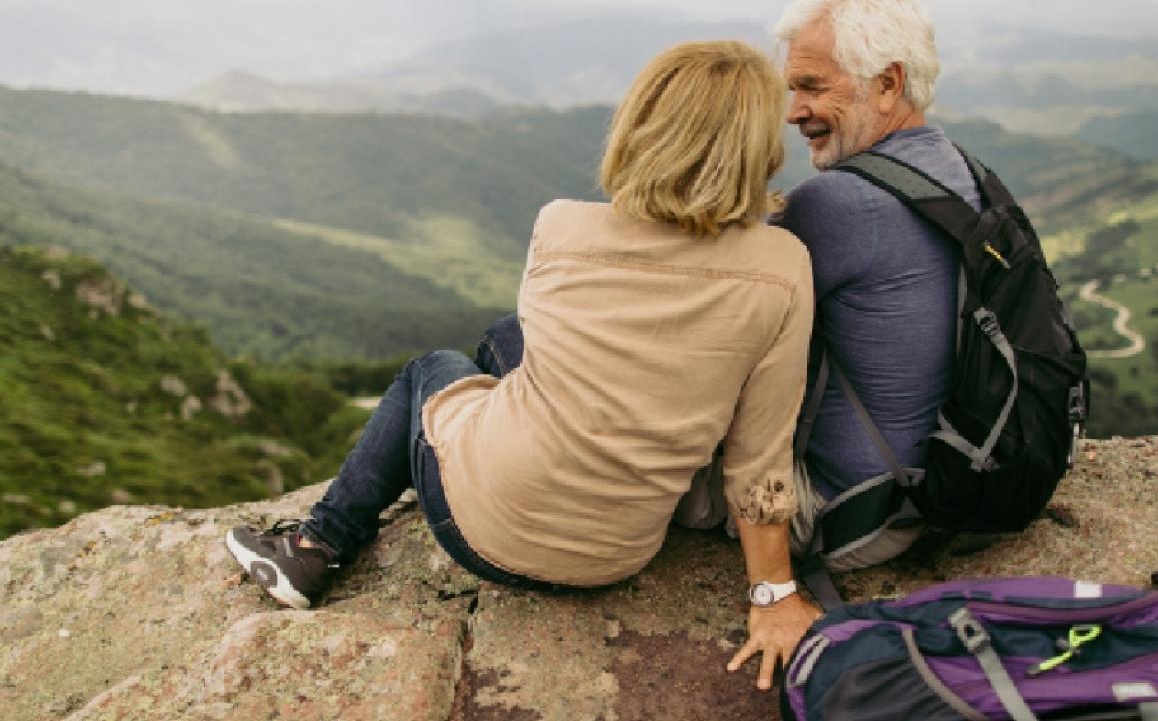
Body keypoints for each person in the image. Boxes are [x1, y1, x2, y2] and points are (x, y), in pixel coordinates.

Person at [225, 40, 821, 690]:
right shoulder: (783, 268)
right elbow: (759, 458)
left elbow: (558, 347)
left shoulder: (561, 227)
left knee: (433, 365)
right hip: (615, 554)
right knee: (505, 339)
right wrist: (773, 595)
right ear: (756, 147)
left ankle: (315, 548)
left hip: (478, 529)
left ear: (641, 128)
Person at [769, 0, 982, 569]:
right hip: (936, 485)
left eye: (811, 87)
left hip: (844, 513)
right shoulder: (961, 172)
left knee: (509, 347)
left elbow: (720, 317)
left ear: (887, 84)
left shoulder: (837, 204)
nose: (793, 112)